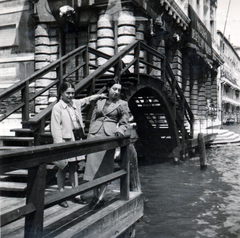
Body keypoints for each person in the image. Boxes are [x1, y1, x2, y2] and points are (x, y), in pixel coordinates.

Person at [51, 81, 107, 208]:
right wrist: (59, 146)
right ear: (61, 93)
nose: (70, 96)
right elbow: (55, 129)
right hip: (65, 141)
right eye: (68, 93)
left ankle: (75, 194)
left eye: (72, 93)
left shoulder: (75, 103)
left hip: (76, 139)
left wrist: (98, 96)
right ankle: (61, 195)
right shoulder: (57, 108)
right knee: (62, 167)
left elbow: (86, 100)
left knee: (74, 167)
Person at [83, 80, 130, 209]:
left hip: (108, 136)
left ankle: (100, 197)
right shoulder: (100, 100)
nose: (117, 92)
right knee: (92, 167)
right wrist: (89, 135)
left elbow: (124, 121)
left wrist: (120, 130)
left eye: (119, 90)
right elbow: (93, 118)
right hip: (94, 135)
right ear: (108, 89)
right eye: (114, 89)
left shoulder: (122, 104)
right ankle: (94, 195)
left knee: (105, 167)